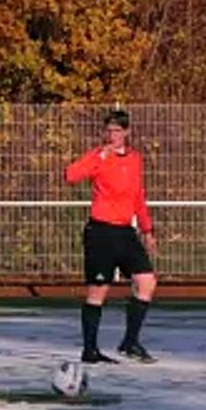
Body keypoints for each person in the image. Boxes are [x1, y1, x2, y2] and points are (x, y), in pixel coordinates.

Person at [65, 109, 159, 364]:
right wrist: (98, 157)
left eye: (117, 130)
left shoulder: (135, 159)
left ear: (127, 132)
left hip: (125, 232)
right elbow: (71, 175)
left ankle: (130, 342)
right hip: (101, 233)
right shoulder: (99, 156)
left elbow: (138, 195)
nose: (112, 135)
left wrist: (147, 229)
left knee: (147, 282)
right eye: (108, 130)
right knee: (98, 291)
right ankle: (90, 350)